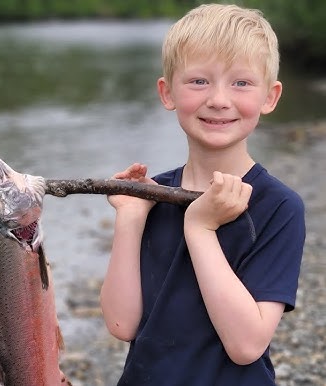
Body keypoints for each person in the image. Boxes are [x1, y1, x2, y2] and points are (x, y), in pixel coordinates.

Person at [100, 4, 305, 385]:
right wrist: (130, 217)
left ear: (270, 97)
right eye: (199, 82)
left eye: (241, 83)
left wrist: (200, 228)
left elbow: (246, 345)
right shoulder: (153, 196)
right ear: (167, 92)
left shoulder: (278, 206)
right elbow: (121, 323)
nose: (219, 99)